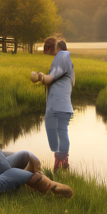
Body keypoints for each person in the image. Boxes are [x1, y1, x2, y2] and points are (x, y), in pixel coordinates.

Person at [31, 37, 75, 171]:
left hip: (60, 107)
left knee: (60, 133)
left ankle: (58, 165)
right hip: (62, 106)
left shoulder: (62, 60)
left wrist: (39, 76)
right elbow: (69, 82)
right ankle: (64, 163)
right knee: (60, 133)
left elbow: (49, 79)